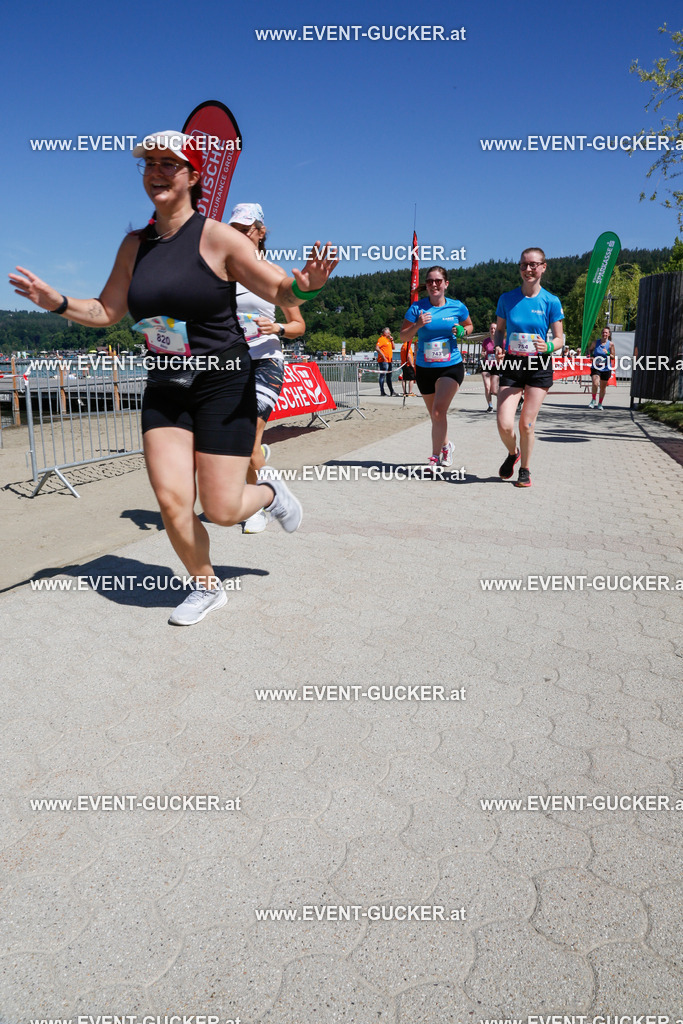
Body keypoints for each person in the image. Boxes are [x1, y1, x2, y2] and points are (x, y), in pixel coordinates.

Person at [9, 130, 337, 624]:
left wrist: (306, 287)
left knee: (224, 508)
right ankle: (206, 586)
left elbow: (279, 288)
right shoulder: (135, 245)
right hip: (166, 383)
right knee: (171, 498)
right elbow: (105, 309)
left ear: (192, 176)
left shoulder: (218, 238)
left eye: (169, 163)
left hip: (224, 382)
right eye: (149, 164)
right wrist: (55, 302)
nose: (157, 171)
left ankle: (270, 492)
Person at [229, 203, 306, 534]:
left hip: (266, 361)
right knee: (238, 443)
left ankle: (263, 503)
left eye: (245, 230)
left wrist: (277, 329)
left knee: (246, 441)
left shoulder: (274, 273)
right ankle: (257, 471)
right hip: (231, 364)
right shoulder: (223, 275)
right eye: (233, 230)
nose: (239, 236)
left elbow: (298, 325)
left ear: (260, 232)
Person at [494, 247, 564, 488]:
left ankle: (525, 470)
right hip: (513, 363)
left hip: (539, 364)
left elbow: (560, 339)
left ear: (543, 267)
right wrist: (498, 346)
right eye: (524, 265)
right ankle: (513, 453)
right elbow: (500, 330)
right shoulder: (507, 299)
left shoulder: (551, 301)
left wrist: (547, 347)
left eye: (534, 264)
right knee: (503, 423)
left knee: (526, 423)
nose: (528, 269)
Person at [399, 266, 473, 470]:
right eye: (430, 281)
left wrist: (461, 330)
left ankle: (434, 456)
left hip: (451, 366)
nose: (434, 284)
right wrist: (417, 325)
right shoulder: (417, 308)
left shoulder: (457, 307)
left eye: (438, 281)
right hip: (425, 368)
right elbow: (403, 336)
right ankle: (447, 445)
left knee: (439, 411)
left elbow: (469, 326)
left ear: (446, 284)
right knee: (435, 414)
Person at [588, 327, 615, 410]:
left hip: (606, 368)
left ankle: (600, 403)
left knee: (603, 387)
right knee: (595, 383)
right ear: (601, 333)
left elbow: (613, 357)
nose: (604, 334)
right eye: (603, 332)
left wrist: (608, 353)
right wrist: (591, 357)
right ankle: (593, 400)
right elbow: (589, 350)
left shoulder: (611, 344)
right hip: (596, 367)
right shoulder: (595, 342)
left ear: (609, 334)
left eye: (606, 333)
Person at [480, 322, 500, 412]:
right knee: (487, 387)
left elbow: (504, 353)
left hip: (496, 366)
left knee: (494, 390)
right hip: (486, 365)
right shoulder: (486, 341)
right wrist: (483, 354)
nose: (493, 330)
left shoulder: (501, 341)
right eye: (491, 328)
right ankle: (490, 406)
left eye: (494, 328)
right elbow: (483, 352)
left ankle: (512, 400)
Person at [375, 327, 397, 396]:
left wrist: (392, 340)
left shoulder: (388, 340)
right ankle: (382, 391)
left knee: (389, 376)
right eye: (388, 332)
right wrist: (383, 356)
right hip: (384, 361)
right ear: (385, 333)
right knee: (383, 375)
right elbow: (377, 348)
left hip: (389, 360)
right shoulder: (381, 339)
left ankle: (392, 391)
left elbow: (394, 347)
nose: (390, 333)